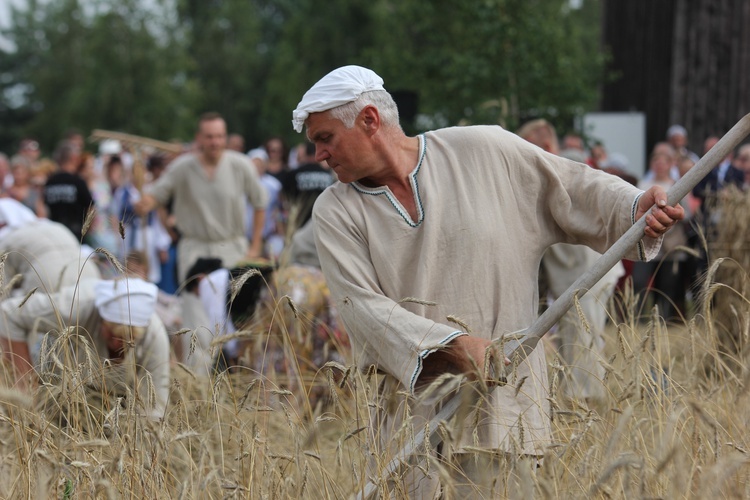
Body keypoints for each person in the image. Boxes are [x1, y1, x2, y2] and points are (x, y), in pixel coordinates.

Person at [291, 65, 684, 497]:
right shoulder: (335, 210)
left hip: (504, 406)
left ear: (369, 120)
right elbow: (361, 308)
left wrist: (635, 210)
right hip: (412, 420)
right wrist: (450, 346)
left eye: (325, 138)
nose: (319, 156)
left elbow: (572, 186)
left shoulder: (483, 150)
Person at [516, 119, 624, 405]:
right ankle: (582, 397)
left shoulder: (569, 165)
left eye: (528, 144)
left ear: (545, 142)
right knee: (578, 335)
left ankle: (584, 403)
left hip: (587, 270)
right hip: (573, 272)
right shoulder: (540, 171)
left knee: (582, 336)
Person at [0, 276, 170, 418]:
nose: (118, 344)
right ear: (102, 320)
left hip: (117, 405)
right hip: (60, 389)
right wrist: (24, 378)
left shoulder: (155, 336)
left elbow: (155, 403)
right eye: (113, 335)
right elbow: (8, 313)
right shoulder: (76, 306)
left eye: (128, 339)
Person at [134, 112, 268, 285]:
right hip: (194, 250)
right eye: (210, 137)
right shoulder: (182, 167)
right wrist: (146, 203)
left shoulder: (241, 165)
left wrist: (255, 246)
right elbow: (157, 195)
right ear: (199, 138)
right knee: (195, 309)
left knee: (229, 309)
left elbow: (260, 202)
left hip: (232, 249)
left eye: (220, 136)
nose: (215, 142)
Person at [0, 198, 101, 295]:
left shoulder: (6, 240)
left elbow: (2, 292)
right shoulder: (54, 225)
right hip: (90, 278)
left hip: (46, 284)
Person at [44, 140, 94, 241]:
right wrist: (87, 230)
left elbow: (43, 209)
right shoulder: (78, 182)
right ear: (74, 158)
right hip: (75, 235)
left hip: (54, 234)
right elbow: (91, 208)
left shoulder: (50, 182)